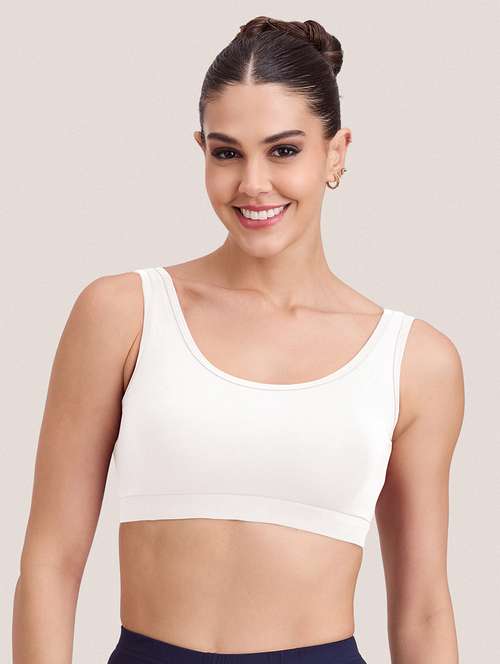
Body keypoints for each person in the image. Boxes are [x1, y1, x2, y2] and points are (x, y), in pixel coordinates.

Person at [12, 16, 464, 664]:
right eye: (227, 153)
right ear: (201, 150)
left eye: (284, 151)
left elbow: (423, 609)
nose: (253, 184)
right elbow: (50, 563)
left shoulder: (414, 361)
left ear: (336, 152)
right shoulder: (124, 315)